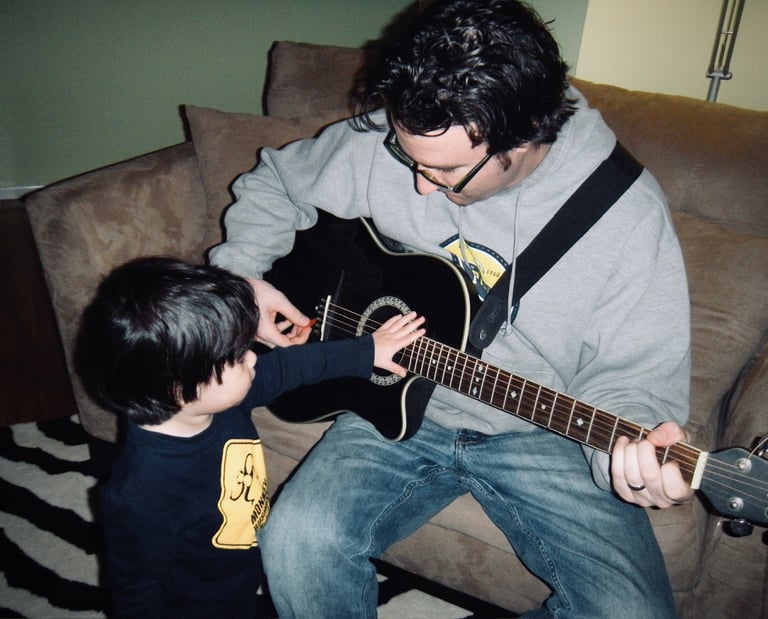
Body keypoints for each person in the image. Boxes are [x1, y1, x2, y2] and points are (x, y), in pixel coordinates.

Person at [208, 1, 694, 616]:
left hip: (542, 432)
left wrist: (629, 449)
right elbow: (277, 180)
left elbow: (637, 375)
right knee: (296, 541)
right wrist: (241, 278)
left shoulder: (625, 216)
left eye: (446, 173)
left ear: (523, 139)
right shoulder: (412, 129)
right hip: (394, 402)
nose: (417, 184)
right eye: (408, 158)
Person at [75, 256, 425, 619]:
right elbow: (136, 591)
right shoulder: (139, 494)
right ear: (181, 389)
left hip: (241, 579)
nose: (254, 360)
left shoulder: (216, 401)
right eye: (237, 358)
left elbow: (291, 366)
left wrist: (368, 350)